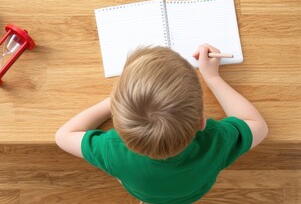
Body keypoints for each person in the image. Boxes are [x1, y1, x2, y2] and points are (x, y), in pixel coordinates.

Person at [55, 44, 268, 204]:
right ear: (201, 122)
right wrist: (212, 77)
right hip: (193, 192)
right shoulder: (216, 140)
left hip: (143, 192)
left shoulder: (112, 148)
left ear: (118, 122)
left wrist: (115, 101)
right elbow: (257, 125)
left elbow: (63, 136)